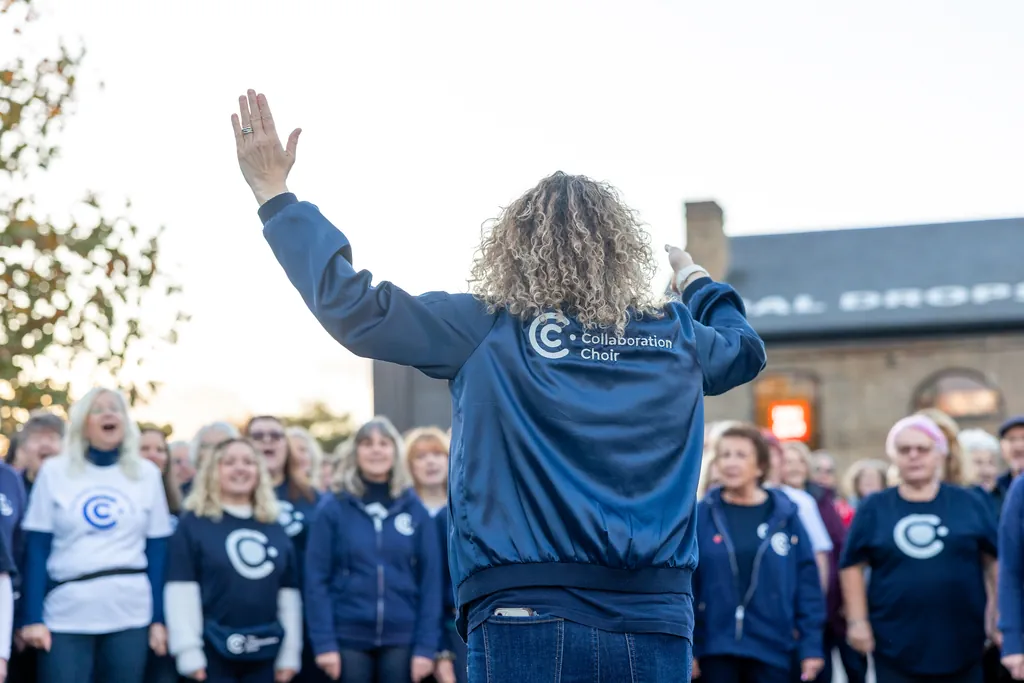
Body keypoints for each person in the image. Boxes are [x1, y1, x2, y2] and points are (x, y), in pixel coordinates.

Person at [230, 90, 766, 681]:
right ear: (622, 250)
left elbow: (355, 308)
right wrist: (694, 281)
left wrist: (276, 199)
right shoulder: (675, 335)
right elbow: (743, 352)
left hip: (521, 606)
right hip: (653, 611)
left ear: (515, 244)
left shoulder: (486, 324)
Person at [20, 387, 173, 683]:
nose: (109, 413)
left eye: (116, 408)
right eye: (99, 408)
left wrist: (158, 620)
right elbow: (36, 550)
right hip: (67, 614)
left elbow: (157, 552)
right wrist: (33, 618)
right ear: (83, 422)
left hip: (130, 612)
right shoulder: (55, 472)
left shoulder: (146, 474)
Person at [841, 415, 997, 683]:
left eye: (922, 449)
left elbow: (994, 560)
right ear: (894, 456)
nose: (913, 456)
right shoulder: (874, 507)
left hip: (963, 641)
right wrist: (857, 621)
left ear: (940, 454)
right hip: (894, 644)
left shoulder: (969, 502)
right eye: (904, 450)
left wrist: (997, 612)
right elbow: (852, 565)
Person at [304, 417, 443, 683]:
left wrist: (426, 647)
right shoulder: (333, 508)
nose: (376, 450)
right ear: (355, 452)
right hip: (347, 638)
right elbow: (315, 580)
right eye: (367, 443)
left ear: (395, 450)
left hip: (403, 638)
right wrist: (324, 643)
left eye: (384, 443)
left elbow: (430, 582)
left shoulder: (414, 509)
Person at [692, 424, 824, 683]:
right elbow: (688, 585)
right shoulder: (701, 515)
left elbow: (807, 584)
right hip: (715, 650)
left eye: (741, 455)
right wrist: (690, 647)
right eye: (724, 455)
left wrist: (811, 646)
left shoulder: (786, 516)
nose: (731, 462)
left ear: (761, 466)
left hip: (773, 647)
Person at [166, 438, 302, 683]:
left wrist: (290, 653)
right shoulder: (193, 524)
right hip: (212, 653)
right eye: (229, 462)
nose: (240, 468)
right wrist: (188, 651)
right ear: (212, 472)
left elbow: (288, 596)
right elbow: (181, 591)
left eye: (249, 462)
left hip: (266, 651)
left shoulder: (274, 526)